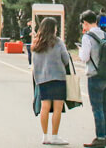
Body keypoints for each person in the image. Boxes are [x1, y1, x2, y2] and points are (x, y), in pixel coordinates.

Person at [32, 16, 70, 146]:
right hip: (58, 78)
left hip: (42, 79)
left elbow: (34, 63)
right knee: (58, 107)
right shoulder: (58, 42)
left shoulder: (36, 42)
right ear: (53, 28)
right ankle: (55, 136)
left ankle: (45, 136)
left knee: (45, 107)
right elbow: (66, 59)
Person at [79, 10, 106, 148]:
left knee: (97, 108)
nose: (83, 27)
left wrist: (81, 50)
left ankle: (99, 138)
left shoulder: (87, 37)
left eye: (83, 24)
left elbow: (85, 57)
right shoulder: (105, 34)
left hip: (94, 76)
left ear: (86, 23)